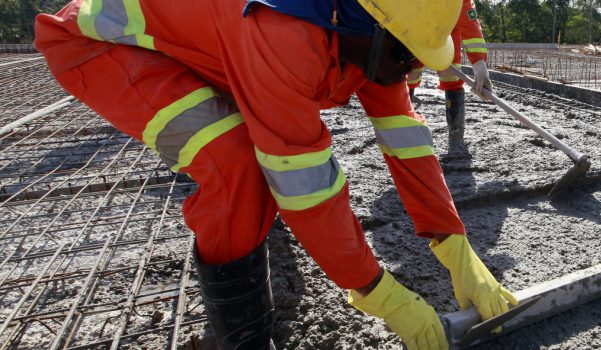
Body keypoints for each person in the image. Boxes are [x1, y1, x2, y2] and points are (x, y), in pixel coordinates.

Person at [34, 0, 517, 349]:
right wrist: (379, 293)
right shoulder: (283, 29)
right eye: (405, 57)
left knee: (250, 160)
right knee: (236, 165)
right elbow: (306, 187)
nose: (408, 72)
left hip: (206, 50)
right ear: (367, 28)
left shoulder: (372, 39)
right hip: (108, 48)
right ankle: (240, 336)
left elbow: (407, 144)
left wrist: (458, 249)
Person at [407, 0, 491, 155]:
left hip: (446, 32)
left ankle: (456, 138)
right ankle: (404, 136)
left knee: (452, 77)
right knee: (408, 76)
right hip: (409, 27)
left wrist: (479, 64)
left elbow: (469, 22)